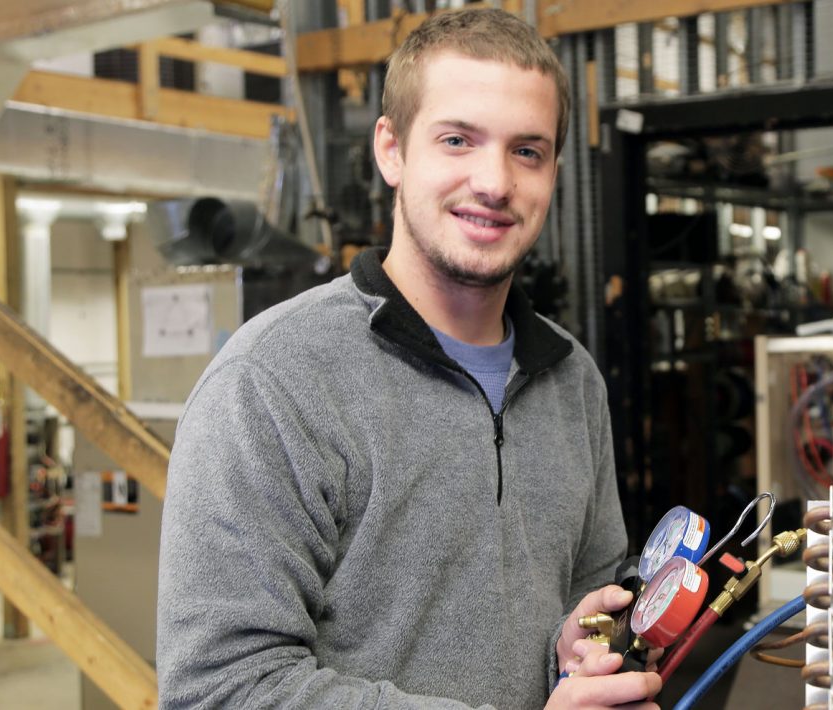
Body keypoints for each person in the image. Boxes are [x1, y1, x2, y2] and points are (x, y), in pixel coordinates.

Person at [156, 8, 660, 709]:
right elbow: (220, 689)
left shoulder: (571, 379)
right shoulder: (272, 381)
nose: (494, 182)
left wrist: (571, 646)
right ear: (391, 150)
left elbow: (581, 608)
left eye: (527, 151)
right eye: (458, 140)